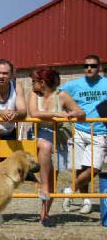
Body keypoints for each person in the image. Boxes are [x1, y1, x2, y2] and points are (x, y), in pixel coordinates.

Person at [28, 67, 85, 226]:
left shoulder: (62, 96)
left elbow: (80, 113)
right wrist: (58, 115)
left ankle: (44, 215)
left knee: (53, 178)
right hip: (39, 136)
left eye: (34, 81)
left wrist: (74, 114)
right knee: (45, 146)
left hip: (59, 139)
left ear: (43, 82)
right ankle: (43, 185)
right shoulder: (34, 94)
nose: (32, 84)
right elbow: (34, 113)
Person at [60, 55, 107, 214]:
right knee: (80, 168)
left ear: (99, 67)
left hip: (100, 132)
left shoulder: (106, 83)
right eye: (86, 65)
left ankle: (69, 190)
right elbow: (60, 96)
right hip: (79, 130)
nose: (89, 68)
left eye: (93, 66)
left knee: (94, 168)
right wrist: (67, 110)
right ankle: (86, 200)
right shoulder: (74, 85)